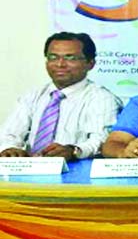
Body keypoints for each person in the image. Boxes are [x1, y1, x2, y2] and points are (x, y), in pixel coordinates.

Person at [0, 32, 122, 161]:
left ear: (90, 63)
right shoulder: (33, 96)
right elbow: (10, 134)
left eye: (70, 58)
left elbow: (101, 141)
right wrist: (10, 148)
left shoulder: (102, 99)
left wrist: (74, 151)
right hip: (28, 172)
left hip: (74, 174)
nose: (60, 64)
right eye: (53, 57)